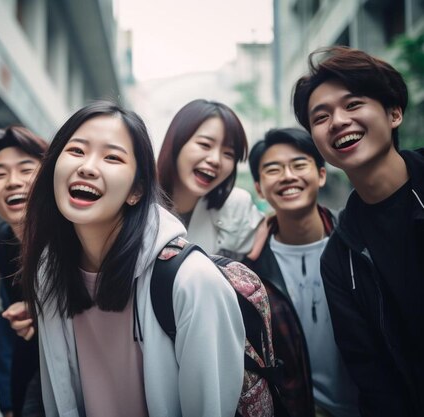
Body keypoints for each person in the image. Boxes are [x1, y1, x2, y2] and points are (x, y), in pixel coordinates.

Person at [13, 100, 245, 417]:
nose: (88, 167)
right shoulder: (48, 271)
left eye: (112, 157)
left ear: (136, 190)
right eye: (77, 151)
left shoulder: (191, 281)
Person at [292, 46, 424, 416]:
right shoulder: (339, 257)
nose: (337, 121)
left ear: (394, 112)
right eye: (321, 117)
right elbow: (372, 375)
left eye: (353, 105)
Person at [244, 128, 359, 417]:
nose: (287, 176)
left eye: (299, 164)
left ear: (321, 174)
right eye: (273, 169)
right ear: (259, 188)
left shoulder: (357, 242)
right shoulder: (250, 270)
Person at [0, 125, 48, 417]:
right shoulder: (3, 242)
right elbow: (9, 325)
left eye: (26, 169)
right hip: (32, 377)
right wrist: (7, 402)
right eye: (0, 174)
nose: (13, 182)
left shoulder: (75, 235)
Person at [157, 99, 265, 261]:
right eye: (205, 145)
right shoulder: (135, 202)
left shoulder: (237, 205)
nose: (215, 160)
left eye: (228, 154)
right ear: (177, 143)